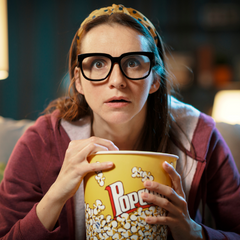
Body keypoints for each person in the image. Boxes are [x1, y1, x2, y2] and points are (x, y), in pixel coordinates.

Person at [0, 3, 239, 240]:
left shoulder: (198, 135)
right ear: (79, 80)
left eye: (133, 63)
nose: (117, 81)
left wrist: (195, 233)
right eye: (97, 63)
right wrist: (56, 195)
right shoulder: (42, 140)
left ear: (155, 78)